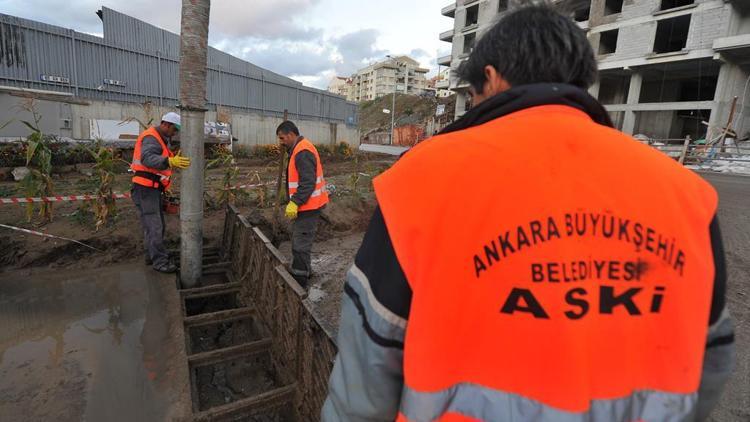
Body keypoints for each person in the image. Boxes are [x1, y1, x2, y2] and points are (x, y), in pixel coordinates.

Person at [322, 5, 734, 421]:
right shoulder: (686, 194)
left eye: (473, 94)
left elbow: (366, 375)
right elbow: (710, 364)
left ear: (492, 77)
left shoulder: (421, 180)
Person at [131, 112, 191, 274]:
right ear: (165, 124)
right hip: (146, 189)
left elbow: (160, 159)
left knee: (154, 226)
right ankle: (159, 262)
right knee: (155, 226)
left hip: (152, 188)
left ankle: (152, 255)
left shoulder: (161, 138)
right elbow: (148, 159)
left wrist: (171, 159)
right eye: (174, 129)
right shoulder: (151, 137)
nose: (175, 133)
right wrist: (169, 161)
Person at [277, 121, 329, 288]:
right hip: (307, 205)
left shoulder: (302, 151)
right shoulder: (299, 149)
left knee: (300, 245)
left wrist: (294, 202)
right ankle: (305, 271)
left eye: (282, 138)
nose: (281, 142)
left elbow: (308, 183)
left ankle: (300, 282)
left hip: (309, 207)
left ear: (291, 134)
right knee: (300, 241)